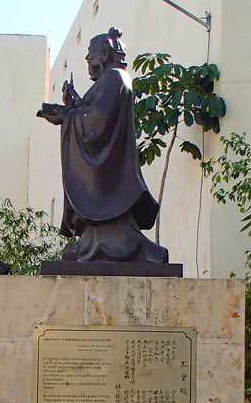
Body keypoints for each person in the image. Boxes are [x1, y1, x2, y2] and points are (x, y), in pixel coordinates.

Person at [37, 27, 168, 264]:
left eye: (91, 52)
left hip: (110, 168)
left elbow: (100, 118)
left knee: (107, 218)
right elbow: (91, 111)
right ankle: (97, 241)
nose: (87, 58)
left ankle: (113, 245)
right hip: (106, 166)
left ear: (105, 53)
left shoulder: (115, 77)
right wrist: (73, 104)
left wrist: (67, 116)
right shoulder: (108, 81)